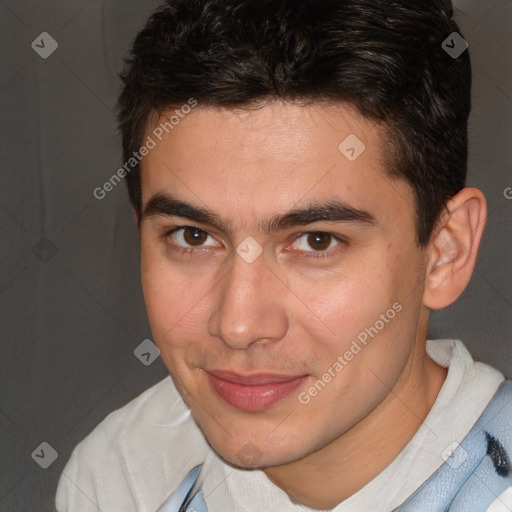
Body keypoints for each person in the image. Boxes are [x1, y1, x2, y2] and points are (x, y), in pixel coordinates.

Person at [55, 0, 512, 510]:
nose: (239, 325)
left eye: (317, 242)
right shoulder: (120, 475)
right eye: (193, 236)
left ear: (446, 251)